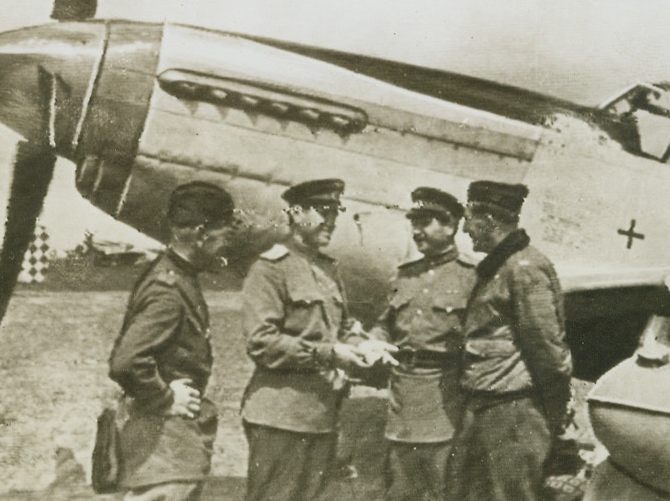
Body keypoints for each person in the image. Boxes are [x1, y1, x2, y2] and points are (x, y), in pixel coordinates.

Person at [240, 178, 371, 501]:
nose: (331, 221)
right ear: (296, 213)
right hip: (280, 418)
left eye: (335, 213)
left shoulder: (327, 268)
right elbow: (261, 342)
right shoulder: (270, 269)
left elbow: (338, 329)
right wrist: (331, 355)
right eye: (323, 211)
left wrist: (362, 343)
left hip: (321, 417)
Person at [108, 181, 236, 501]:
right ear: (202, 233)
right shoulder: (168, 291)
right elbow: (126, 361)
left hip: (169, 439)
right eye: (223, 235)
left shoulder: (175, 276)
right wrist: (165, 397)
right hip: (163, 440)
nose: (225, 245)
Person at [450, 180, 573, 501]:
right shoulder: (498, 267)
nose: (464, 228)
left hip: (513, 413)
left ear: (489, 220)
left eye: (469, 218)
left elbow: (550, 354)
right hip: (484, 407)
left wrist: (552, 417)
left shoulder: (525, 269)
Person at [361, 187, 476, 501]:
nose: (416, 231)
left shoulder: (473, 278)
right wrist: (374, 342)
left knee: (444, 490)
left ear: (450, 226)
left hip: (446, 401)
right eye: (414, 223)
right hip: (402, 399)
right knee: (400, 490)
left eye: (425, 222)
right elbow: (384, 323)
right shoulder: (405, 275)